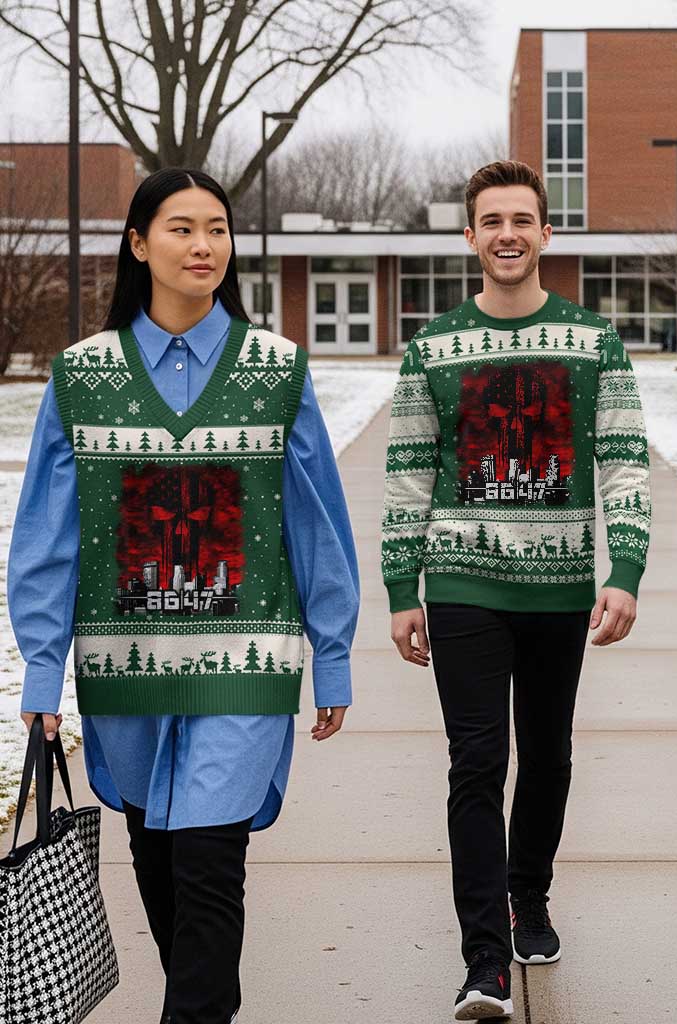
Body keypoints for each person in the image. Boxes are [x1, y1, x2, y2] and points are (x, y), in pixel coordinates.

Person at [11, 168, 359, 1024]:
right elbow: (47, 539)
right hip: (124, 667)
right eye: (180, 229)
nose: (203, 246)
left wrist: (334, 654)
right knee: (159, 860)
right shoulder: (81, 376)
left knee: (210, 863)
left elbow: (315, 523)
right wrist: (42, 675)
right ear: (138, 244)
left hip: (244, 661)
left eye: (216, 229)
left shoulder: (277, 371)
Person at [381, 160, 652, 1021]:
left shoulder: (593, 340)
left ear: (546, 233)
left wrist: (627, 569)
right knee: (477, 760)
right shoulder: (432, 348)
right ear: (469, 236)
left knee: (549, 753)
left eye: (522, 220)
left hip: (561, 587)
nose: (507, 234)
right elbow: (407, 474)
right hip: (463, 578)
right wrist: (401, 586)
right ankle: (484, 961)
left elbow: (623, 459)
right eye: (491, 220)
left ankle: (527, 895)